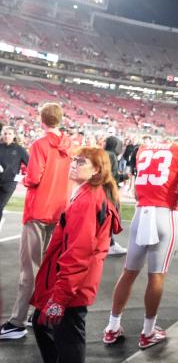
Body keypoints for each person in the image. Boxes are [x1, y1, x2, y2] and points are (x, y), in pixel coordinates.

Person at [103, 137, 178, 350]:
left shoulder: (144, 149)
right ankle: (148, 332)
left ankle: (112, 326)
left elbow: (136, 192)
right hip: (165, 214)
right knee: (156, 275)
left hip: (141, 214)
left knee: (128, 272)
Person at [30, 147, 121, 363]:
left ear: (96, 170)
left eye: (81, 162)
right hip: (73, 281)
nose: (73, 164)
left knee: (68, 341)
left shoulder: (87, 200)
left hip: (72, 285)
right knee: (43, 325)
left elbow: (78, 254)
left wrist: (60, 297)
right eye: (74, 159)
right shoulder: (89, 193)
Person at [0, 103, 72, 341]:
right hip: (60, 210)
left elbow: (33, 177)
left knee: (29, 269)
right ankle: (39, 313)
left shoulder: (40, 144)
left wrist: (25, 180)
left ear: (42, 120)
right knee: (50, 267)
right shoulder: (70, 144)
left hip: (39, 209)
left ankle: (17, 321)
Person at [0, 125, 29, 233]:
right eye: (5, 133)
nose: (7, 136)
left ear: (14, 136)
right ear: (2, 134)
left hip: (9, 183)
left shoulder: (19, 149)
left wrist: (23, 177)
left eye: (9, 134)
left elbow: (30, 164)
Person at [103, 135, 127, 256]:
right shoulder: (111, 155)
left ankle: (108, 243)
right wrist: (125, 176)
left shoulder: (102, 153)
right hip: (107, 192)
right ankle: (110, 244)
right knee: (111, 218)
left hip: (100, 191)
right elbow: (113, 177)